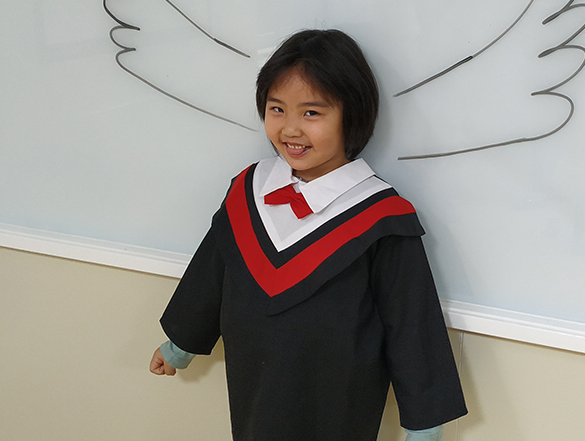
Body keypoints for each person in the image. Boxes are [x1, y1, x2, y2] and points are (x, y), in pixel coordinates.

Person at [149, 29, 467, 441]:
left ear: (352, 115)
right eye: (277, 109)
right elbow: (211, 274)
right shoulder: (249, 189)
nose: (290, 129)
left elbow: (411, 323)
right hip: (254, 384)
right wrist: (180, 345)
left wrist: (423, 426)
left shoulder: (382, 217)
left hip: (337, 398)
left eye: (312, 113)